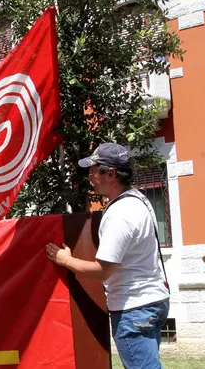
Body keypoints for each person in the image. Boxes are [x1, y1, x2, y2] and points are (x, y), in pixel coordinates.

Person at [46, 143, 169, 369]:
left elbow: (103, 270)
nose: (90, 176)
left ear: (110, 174)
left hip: (133, 309)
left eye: (94, 171)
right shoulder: (138, 199)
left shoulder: (120, 215)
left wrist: (66, 260)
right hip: (153, 301)